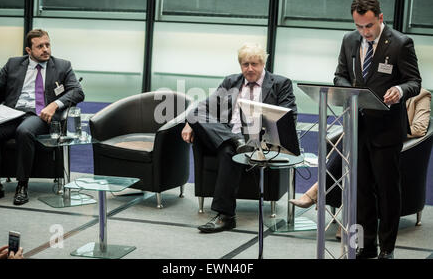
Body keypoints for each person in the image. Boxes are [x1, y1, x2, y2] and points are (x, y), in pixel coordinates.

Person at [333, 0, 422, 259]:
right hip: (357, 126)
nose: (364, 32)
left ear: (380, 18)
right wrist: (349, 91)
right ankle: (366, 245)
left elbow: (414, 81)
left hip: (386, 129)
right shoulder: (349, 41)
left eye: (369, 26)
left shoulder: (400, 43)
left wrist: (398, 89)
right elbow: (339, 75)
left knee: (387, 191)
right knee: (361, 191)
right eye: (359, 26)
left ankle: (388, 249)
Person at [181, 43, 297, 233]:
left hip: (259, 140)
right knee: (195, 116)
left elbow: (289, 116)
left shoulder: (280, 84)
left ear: (263, 63)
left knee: (228, 151)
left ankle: (225, 216)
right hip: (227, 134)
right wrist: (189, 123)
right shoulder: (231, 82)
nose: (249, 69)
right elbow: (204, 107)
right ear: (240, 65)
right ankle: (235, 141)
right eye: (245, 64)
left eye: (254, 64)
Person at [289, 88, 431, 239]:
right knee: (353, 145)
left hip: (395, 147)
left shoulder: (421, 96)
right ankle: (348, 222)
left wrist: (388, 131)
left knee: (355, 150)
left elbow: (419, 129)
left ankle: (318, 191)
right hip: (370, 141)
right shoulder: (380, 88)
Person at [0, 29, 84, 206]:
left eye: (47, 45)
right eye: (40, 46)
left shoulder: (62, 66)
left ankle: (22, 185)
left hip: (40, 115)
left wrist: (54, 105)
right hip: (12, 113)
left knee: (25, 131)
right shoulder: (14, 64)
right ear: (29, 51)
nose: (45, 49)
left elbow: (77, 91)